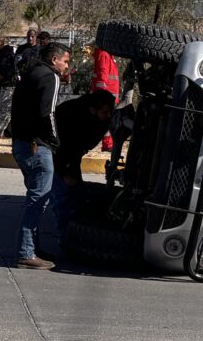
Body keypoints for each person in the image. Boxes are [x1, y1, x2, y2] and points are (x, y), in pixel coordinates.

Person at [9, 41, 70, 269]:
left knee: (35, 197)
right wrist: (55, 141)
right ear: (54, 59)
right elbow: (48, 113)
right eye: (65, 61)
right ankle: (26, 253)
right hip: (37, 146)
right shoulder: (50, 77)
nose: (66, 67)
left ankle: (32, 248)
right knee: (38, 201)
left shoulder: (32, 72)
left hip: (22, 143)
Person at [51, 90, 116, 235]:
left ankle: (71, 231)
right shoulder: (70, 116)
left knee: (76, 194)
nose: (109, 116)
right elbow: (62, 149)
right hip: (58, 154)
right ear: (93, 110)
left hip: (73, 154)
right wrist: (65, 172)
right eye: (105, 112)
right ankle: (63, 235)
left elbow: (83, 145)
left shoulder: (100, 119)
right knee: (62, 195)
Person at [90, 48, 120, 151]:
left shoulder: (107, 54)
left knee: (108, 120)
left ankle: (108, 144)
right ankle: (107, 144)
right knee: (106, 120)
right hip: (107, 94)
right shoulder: (104, 54)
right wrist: (102, 95)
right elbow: (102, 74)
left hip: (109, 94)